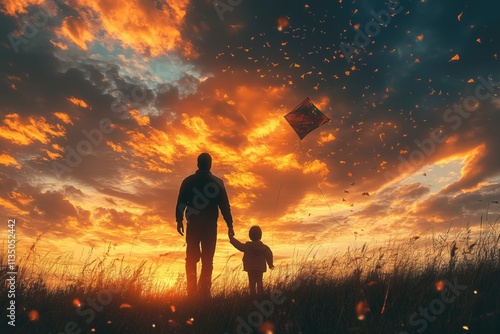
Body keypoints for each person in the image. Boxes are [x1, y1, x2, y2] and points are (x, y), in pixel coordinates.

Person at [176, 153, 234, 298]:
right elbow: (224, 206)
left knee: (191, 259)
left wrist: (179, 220)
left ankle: (191, 293)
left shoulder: (188, 181)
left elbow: (181, 203)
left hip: (193, 225)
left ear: (197, 164)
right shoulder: (217, 182)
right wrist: (230, 224)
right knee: (208, 260)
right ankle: (204, 294)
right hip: (209, 227)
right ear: (210, 164)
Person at [229, 226, 274, 296]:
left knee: (252, 284)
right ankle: (260, 296)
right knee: (259, 282)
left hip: (250, 268)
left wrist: (232, 239)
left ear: (250, 236)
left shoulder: (247, 246)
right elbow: (269, 255)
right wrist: (270, 264)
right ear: (260, 236)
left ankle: (252, 297)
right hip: (260, 268)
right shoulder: (264, 247)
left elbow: (239, 246)